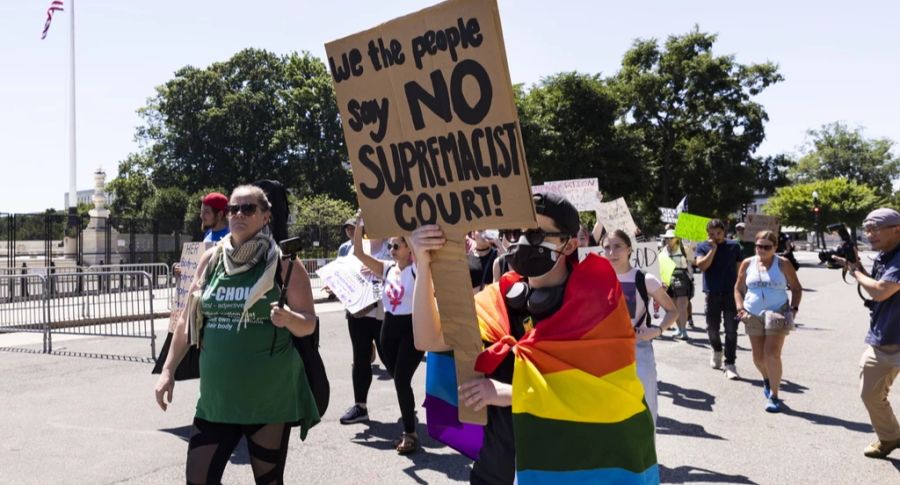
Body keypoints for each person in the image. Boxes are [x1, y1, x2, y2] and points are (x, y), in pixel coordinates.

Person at [410, 193, 658, 484]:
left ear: (570, 244)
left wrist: (511, 394)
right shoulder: (498, 300)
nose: (525, 242)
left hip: (566, 470)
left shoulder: (598, 309)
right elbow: (428, 339)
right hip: (496, 469)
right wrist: (423, 264)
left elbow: (609, 398)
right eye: (519, 232)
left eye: (537, 233)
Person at [153, 185, 320, 484]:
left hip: (268, 400)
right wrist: (168, 370)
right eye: (233, 209)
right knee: (198, 479)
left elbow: (309, 323)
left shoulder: (282, 264)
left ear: (266, 216)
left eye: (248, 209)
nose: (238, 214)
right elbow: (185, 321)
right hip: (217, 400)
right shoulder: (212, 261)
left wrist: (289, 318)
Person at [352, 215, 423, 454]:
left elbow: (416, 248)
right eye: (390, 245)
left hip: (411, 330)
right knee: (399, 380)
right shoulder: (387, 268)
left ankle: (410, 433)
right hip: (388, 330)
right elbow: (359, 255)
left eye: (396, 245)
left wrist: (406, 228)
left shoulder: (417, 269)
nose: (391, 250)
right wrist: (360, 226)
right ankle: (409, 416)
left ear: (408, 249)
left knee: (402, 380)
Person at [834, 208, 900, 458]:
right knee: (870, 393)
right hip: (884, 338)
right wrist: (853, 263)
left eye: (875, 229)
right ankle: (891, 436)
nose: (869, 234)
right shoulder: (886, 255)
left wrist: (855, 271)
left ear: (897, 229)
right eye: (867, 229)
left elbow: (881, 291)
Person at [604, 229, 678, 422]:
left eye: (617, 246)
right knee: (611, 411)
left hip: (638, 349)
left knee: (645, 409)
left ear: (629, 249)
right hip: (605, 350)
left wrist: (657, 330)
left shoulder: (644, 279)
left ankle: (648, 451)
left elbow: (672, 311)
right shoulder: (598, 279)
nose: (612, 252)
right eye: (607, 248)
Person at [734, 230, 802, 413]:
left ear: (775, 247)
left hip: (778, 312)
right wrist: (740, 309)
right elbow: (738, 288)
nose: (761, 250)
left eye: (766, 247)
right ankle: (766, 378)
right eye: (758, 246)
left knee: (772, 353)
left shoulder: (783, 264)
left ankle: (774, 395)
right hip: (752, 313)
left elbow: (796, 288)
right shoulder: (748, 263)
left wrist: (793, 310)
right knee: (758, 357)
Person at [337, 224, 391, 426]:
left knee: (390, 359)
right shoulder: (357, 247)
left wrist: (380, 269)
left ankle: (406, 403)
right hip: (358, 310)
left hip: (383, 312)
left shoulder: (393, 245)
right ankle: (360, 406)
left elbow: (400, 273)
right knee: (360, 357)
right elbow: (347, 273)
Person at [696, 218, 743, 379]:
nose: (716, 236)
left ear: (724, 232)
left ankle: (730, 364)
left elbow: (740, 271)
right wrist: (713, 249)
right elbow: (702, 266)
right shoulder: (703, 246)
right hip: (712, 294)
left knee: (731, 330)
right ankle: (717, 350)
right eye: (712, 234)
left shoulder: (734, 246)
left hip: (731, 295)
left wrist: (741, 292)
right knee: (712, 329)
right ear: (707, 234)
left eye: (719, 233)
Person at [659, 229, 694, 340]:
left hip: (681, 278)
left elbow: (692, 258)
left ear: (677, 238)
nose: (668, 240)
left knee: (682, 307)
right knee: (674, 308)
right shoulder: (663, 250)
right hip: (668, 279)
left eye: (671, 238)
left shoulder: (684, 248)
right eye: (667, 238)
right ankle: (679, 329)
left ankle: (684, 331)